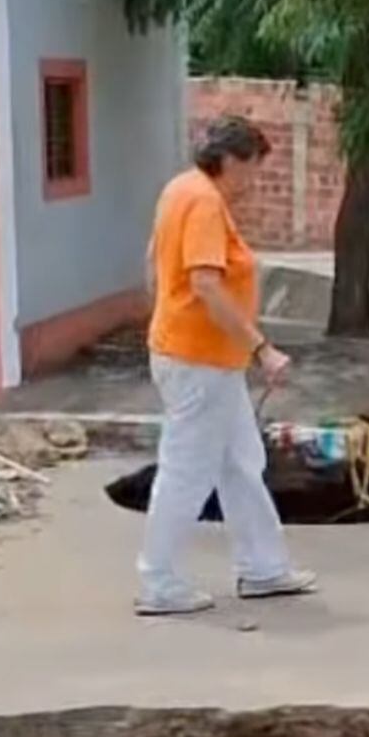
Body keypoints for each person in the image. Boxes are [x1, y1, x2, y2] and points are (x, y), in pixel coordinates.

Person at [137, 115, 315, 616]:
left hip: (199, 356)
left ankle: (263, 568)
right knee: (186, 471)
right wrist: (263, 348)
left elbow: (154, 260)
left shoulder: (180, 190)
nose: (254, 182)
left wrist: (165, 319)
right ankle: (159, 580)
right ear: (232, 160)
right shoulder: (204, 202)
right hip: (199, 363)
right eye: (253, 168)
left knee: (240, 462)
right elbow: (207, 285)